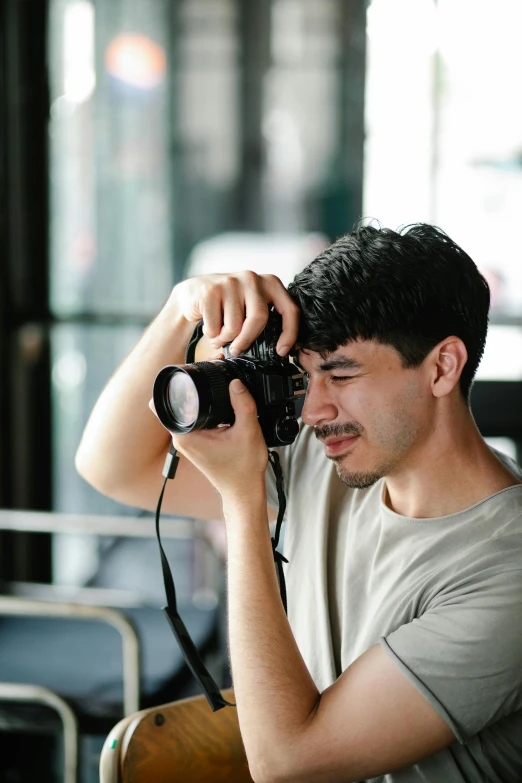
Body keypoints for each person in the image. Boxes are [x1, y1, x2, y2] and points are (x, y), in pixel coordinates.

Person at [76, 223, 522, 783]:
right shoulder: (336, 457)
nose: (313, 409)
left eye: (340, 373)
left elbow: (289, 763)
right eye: (306, 375)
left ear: (442, 366)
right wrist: (178, 315)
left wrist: (241, 499)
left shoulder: (506, 572)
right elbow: (111, 466)